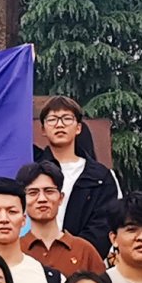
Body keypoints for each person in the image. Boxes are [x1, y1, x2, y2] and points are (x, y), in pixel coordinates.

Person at [36, 97, 120, 257]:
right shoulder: (32, 172)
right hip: (35, 259)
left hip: (81, 261)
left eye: (67, 118)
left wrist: (70, 256)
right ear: (43, 129)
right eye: (52, 119)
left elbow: (102, 226)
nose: (59, 125)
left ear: (78, 128)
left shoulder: (99, 176)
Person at [20, 159, 105, 276]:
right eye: (33, 193)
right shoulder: (15, 250)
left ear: (61, 198)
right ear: (22, 200)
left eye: (49, 191)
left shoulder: (84, 251)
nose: (42, 199)